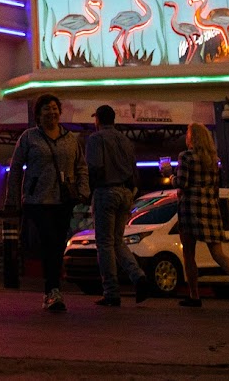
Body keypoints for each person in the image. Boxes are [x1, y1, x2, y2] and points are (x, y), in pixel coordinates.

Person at [4, 94, 89, 312]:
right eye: (46, 109)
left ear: (59, 112)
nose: (51, 113)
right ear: (38, 115)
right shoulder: (29, 138)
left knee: (58, 244)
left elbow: (81, 166)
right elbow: (15, 169)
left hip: (63, 200)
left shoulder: (71, 139)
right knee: (49, 242)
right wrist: (12, 199)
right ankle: (53, 289)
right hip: (37, 200)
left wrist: (82, 190)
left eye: (54, 108)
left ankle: (52, 290)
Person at [163, 123, 229, 309]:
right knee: (218, 253)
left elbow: (182, 183)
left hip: (190, 208)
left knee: (188, 253)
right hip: (210, 208)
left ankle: (194, 295)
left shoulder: (185, 156)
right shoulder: (213, 159)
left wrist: (170, 176)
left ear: (191, 137)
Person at [85, 104, 151, 306]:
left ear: (98, 120)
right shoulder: (125, 140)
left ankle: (111, 291)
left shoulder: (96, 139)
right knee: (117, 241)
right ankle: (138, 276)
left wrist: (89, 192)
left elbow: (95, 167)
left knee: (104, 243)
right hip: (125, 192)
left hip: (106, 191)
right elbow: (133, 169)